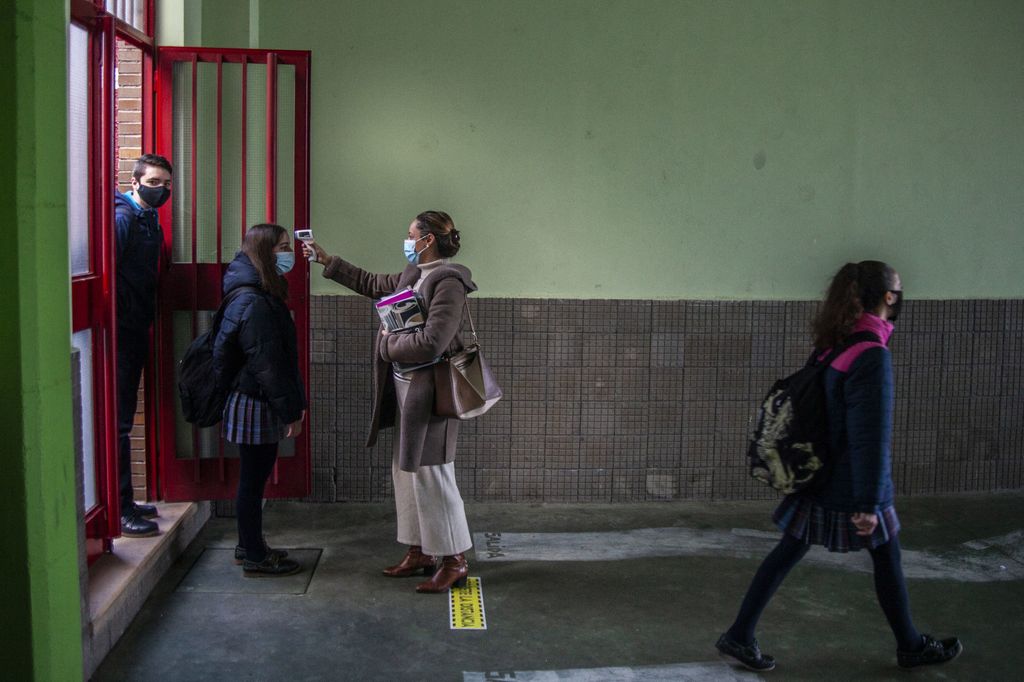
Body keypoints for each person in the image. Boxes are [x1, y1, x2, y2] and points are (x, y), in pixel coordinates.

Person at [716, 261, 962, 672]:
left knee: (790, 551)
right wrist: (868, 502)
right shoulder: (872, 355)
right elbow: (870, 436)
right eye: (897, 290)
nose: (899, 297)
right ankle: (911, 645)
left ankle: (740, 635)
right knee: (886, 556)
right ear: (887, 297)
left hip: (819, 472)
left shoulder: (837, 343)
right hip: (851, 482)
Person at [303, 211, 475, 593]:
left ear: (428, 240)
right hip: (406, 391)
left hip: (431, 396)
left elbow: (434, 342)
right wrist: (327, 260)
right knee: (406, 472)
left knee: (434, 476)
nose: (406, 239)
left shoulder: (448, 283)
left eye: (410, 234)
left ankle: (454, 560)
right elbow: (373, 283)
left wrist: (386, 344)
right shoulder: (414, 275)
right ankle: (421, 551)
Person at [214, 224, 306, 577]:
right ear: (265, 252)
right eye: (282, 247)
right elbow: (269, 364)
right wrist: (291, 410)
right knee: (253, 481)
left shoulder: (250, 289)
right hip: (256, 399)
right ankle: (253, 553)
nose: (289, 255)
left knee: (253, 478)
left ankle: (248, 545)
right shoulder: (254, 300)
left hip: (251, 396)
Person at [114, 154, 172, 537]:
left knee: (124, 417)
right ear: (134, 182)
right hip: (119, 332)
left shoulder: (148, 220)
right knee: (118, 422)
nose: (161, 190)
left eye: (166, 183)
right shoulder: (123, 219)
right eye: (153, 182)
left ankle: (127, 501)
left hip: (136, 328)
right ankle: (119, 510)